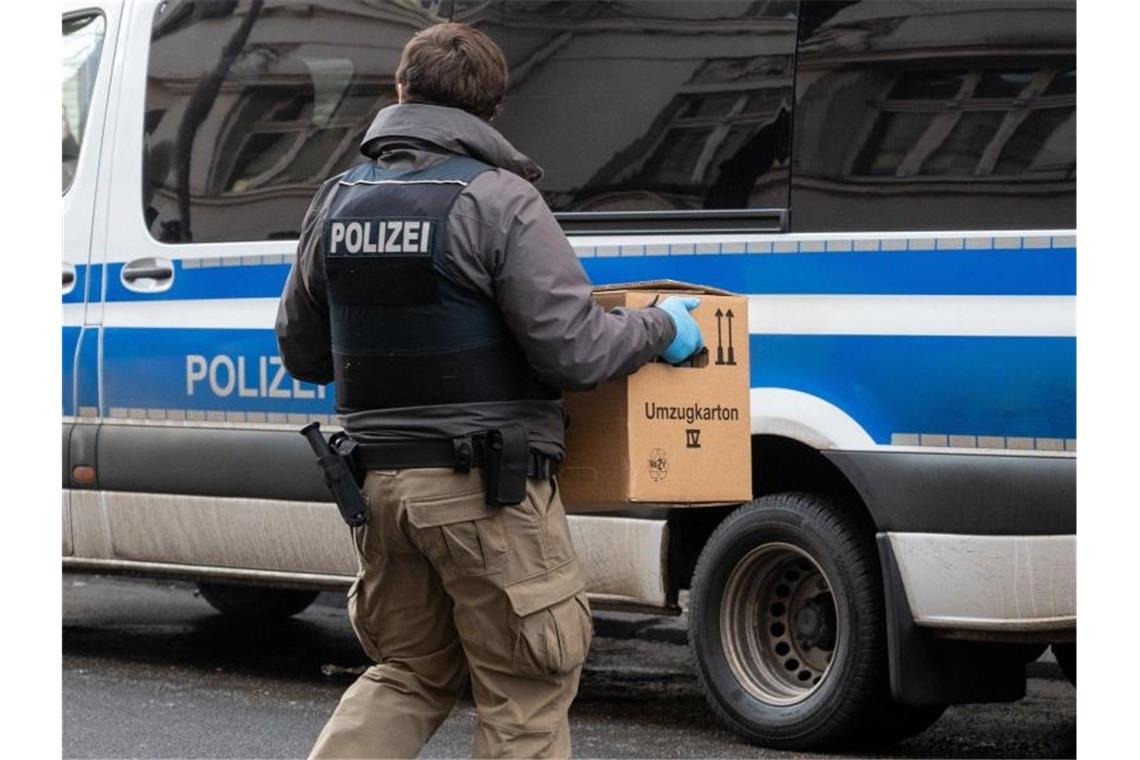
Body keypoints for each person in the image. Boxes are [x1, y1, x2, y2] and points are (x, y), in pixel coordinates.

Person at [276, 21, 703, 760]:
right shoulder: (499, 200)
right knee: (526, 690)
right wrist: (661, 329)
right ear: (491, 110)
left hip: (379, 490)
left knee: (408, 672)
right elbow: (574, 351)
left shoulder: (338, 200)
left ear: (400, 90)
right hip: (486, 493)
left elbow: (305, 353)